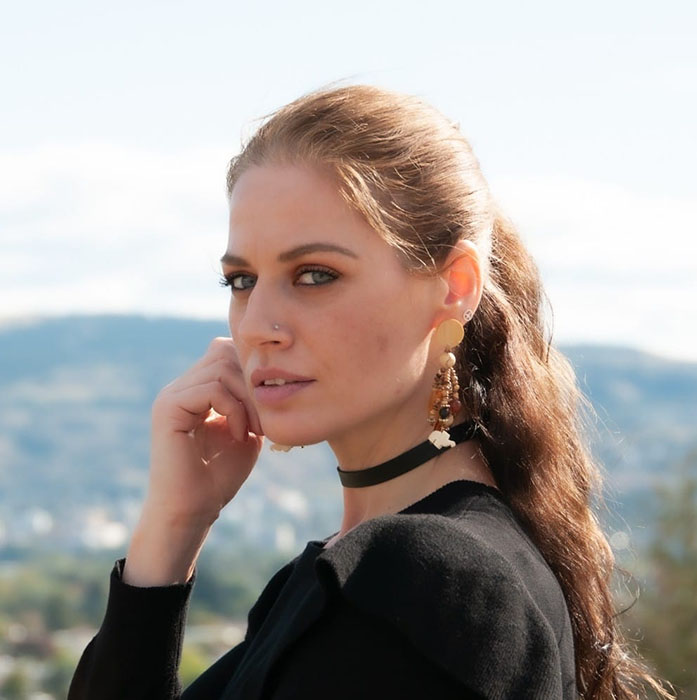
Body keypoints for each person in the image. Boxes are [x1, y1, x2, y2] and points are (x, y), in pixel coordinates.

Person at [68, 84, 673, 700]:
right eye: (242, 279)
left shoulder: (428, 578)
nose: (255, 327)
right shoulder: (348, 578)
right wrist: (174, 523)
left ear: (454, 286)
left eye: (315, 275)